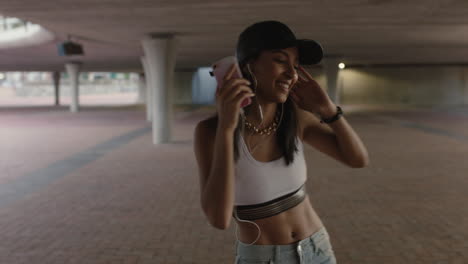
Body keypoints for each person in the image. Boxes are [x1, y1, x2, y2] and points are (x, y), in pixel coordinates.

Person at [194, 20, 369, 264]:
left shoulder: (295, 117)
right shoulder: (210, 131)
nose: (292, 73)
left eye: (295, 65)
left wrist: (329, 110)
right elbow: (219, 219)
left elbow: (358, 159)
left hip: (316, 249)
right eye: (280, 60)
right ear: (249, 64)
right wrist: (227, 128)